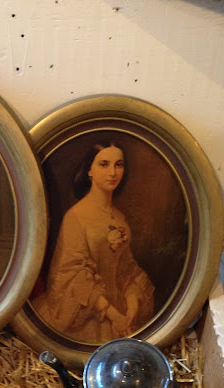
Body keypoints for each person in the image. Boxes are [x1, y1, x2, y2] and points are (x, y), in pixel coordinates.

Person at [32, 139, 154, 344]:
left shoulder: (120, 218)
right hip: (90, 313)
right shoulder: (76, 217)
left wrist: (132, 306)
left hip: (120, 309)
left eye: (118, 165)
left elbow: (127, 269)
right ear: (89, 170)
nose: (113, 173)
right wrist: (114, 316)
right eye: (104, 164)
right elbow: (72, 275)